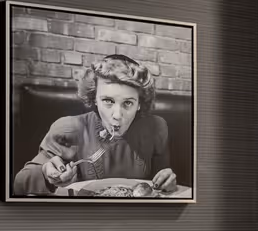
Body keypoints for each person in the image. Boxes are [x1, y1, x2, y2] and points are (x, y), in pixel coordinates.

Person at [13, 53, 179, 196]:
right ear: (94, 100)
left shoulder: (156, 128)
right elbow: (19, 183)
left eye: (128, 103)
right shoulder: (68, 129)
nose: (117, 115)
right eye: (108, 101)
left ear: (140, 104)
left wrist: (167, 182)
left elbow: (159, 184)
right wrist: (46, 173)